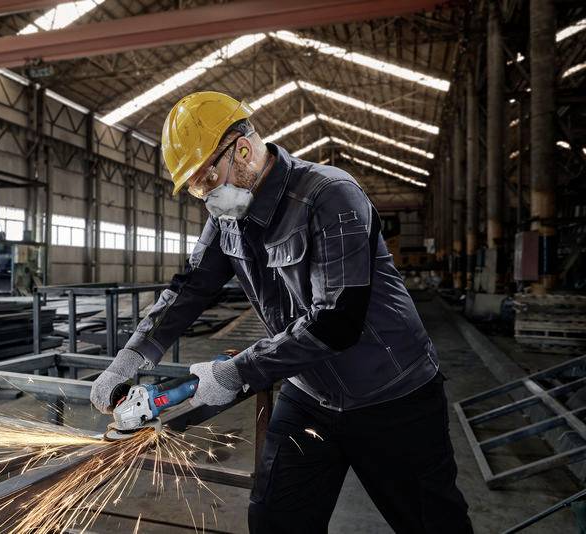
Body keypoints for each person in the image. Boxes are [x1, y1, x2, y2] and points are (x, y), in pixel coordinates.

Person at [90, 91, 472, 534]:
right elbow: (189, 289)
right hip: (309, 396)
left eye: (205, 180)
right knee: (275, 521)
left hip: (393, 396)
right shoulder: (226, 220)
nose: (205, 197)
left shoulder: (330, 196)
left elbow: (336, 321)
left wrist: (236, 372)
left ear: (243, 150)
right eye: (195, 188)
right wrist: (131, 358)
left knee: (432, 525)